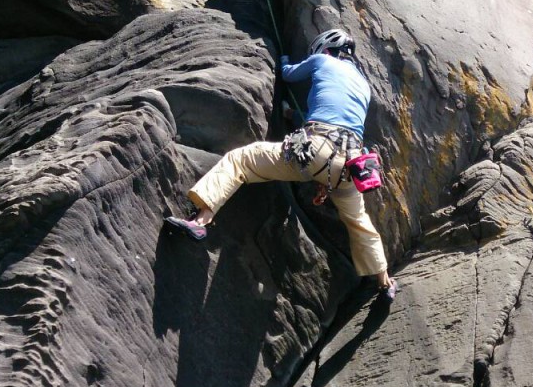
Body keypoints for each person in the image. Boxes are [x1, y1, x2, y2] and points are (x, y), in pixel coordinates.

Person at [165, 29, 397, 299]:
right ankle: (385, 282)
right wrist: (291, 114)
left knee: (241, 159)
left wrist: (283, 54)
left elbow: (287, 72)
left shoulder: (322, 61)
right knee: (359, 221)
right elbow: (337, 116)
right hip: (350, 164)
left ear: (324, 49)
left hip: (315, 149)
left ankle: (200, 220)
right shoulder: (363, 86)